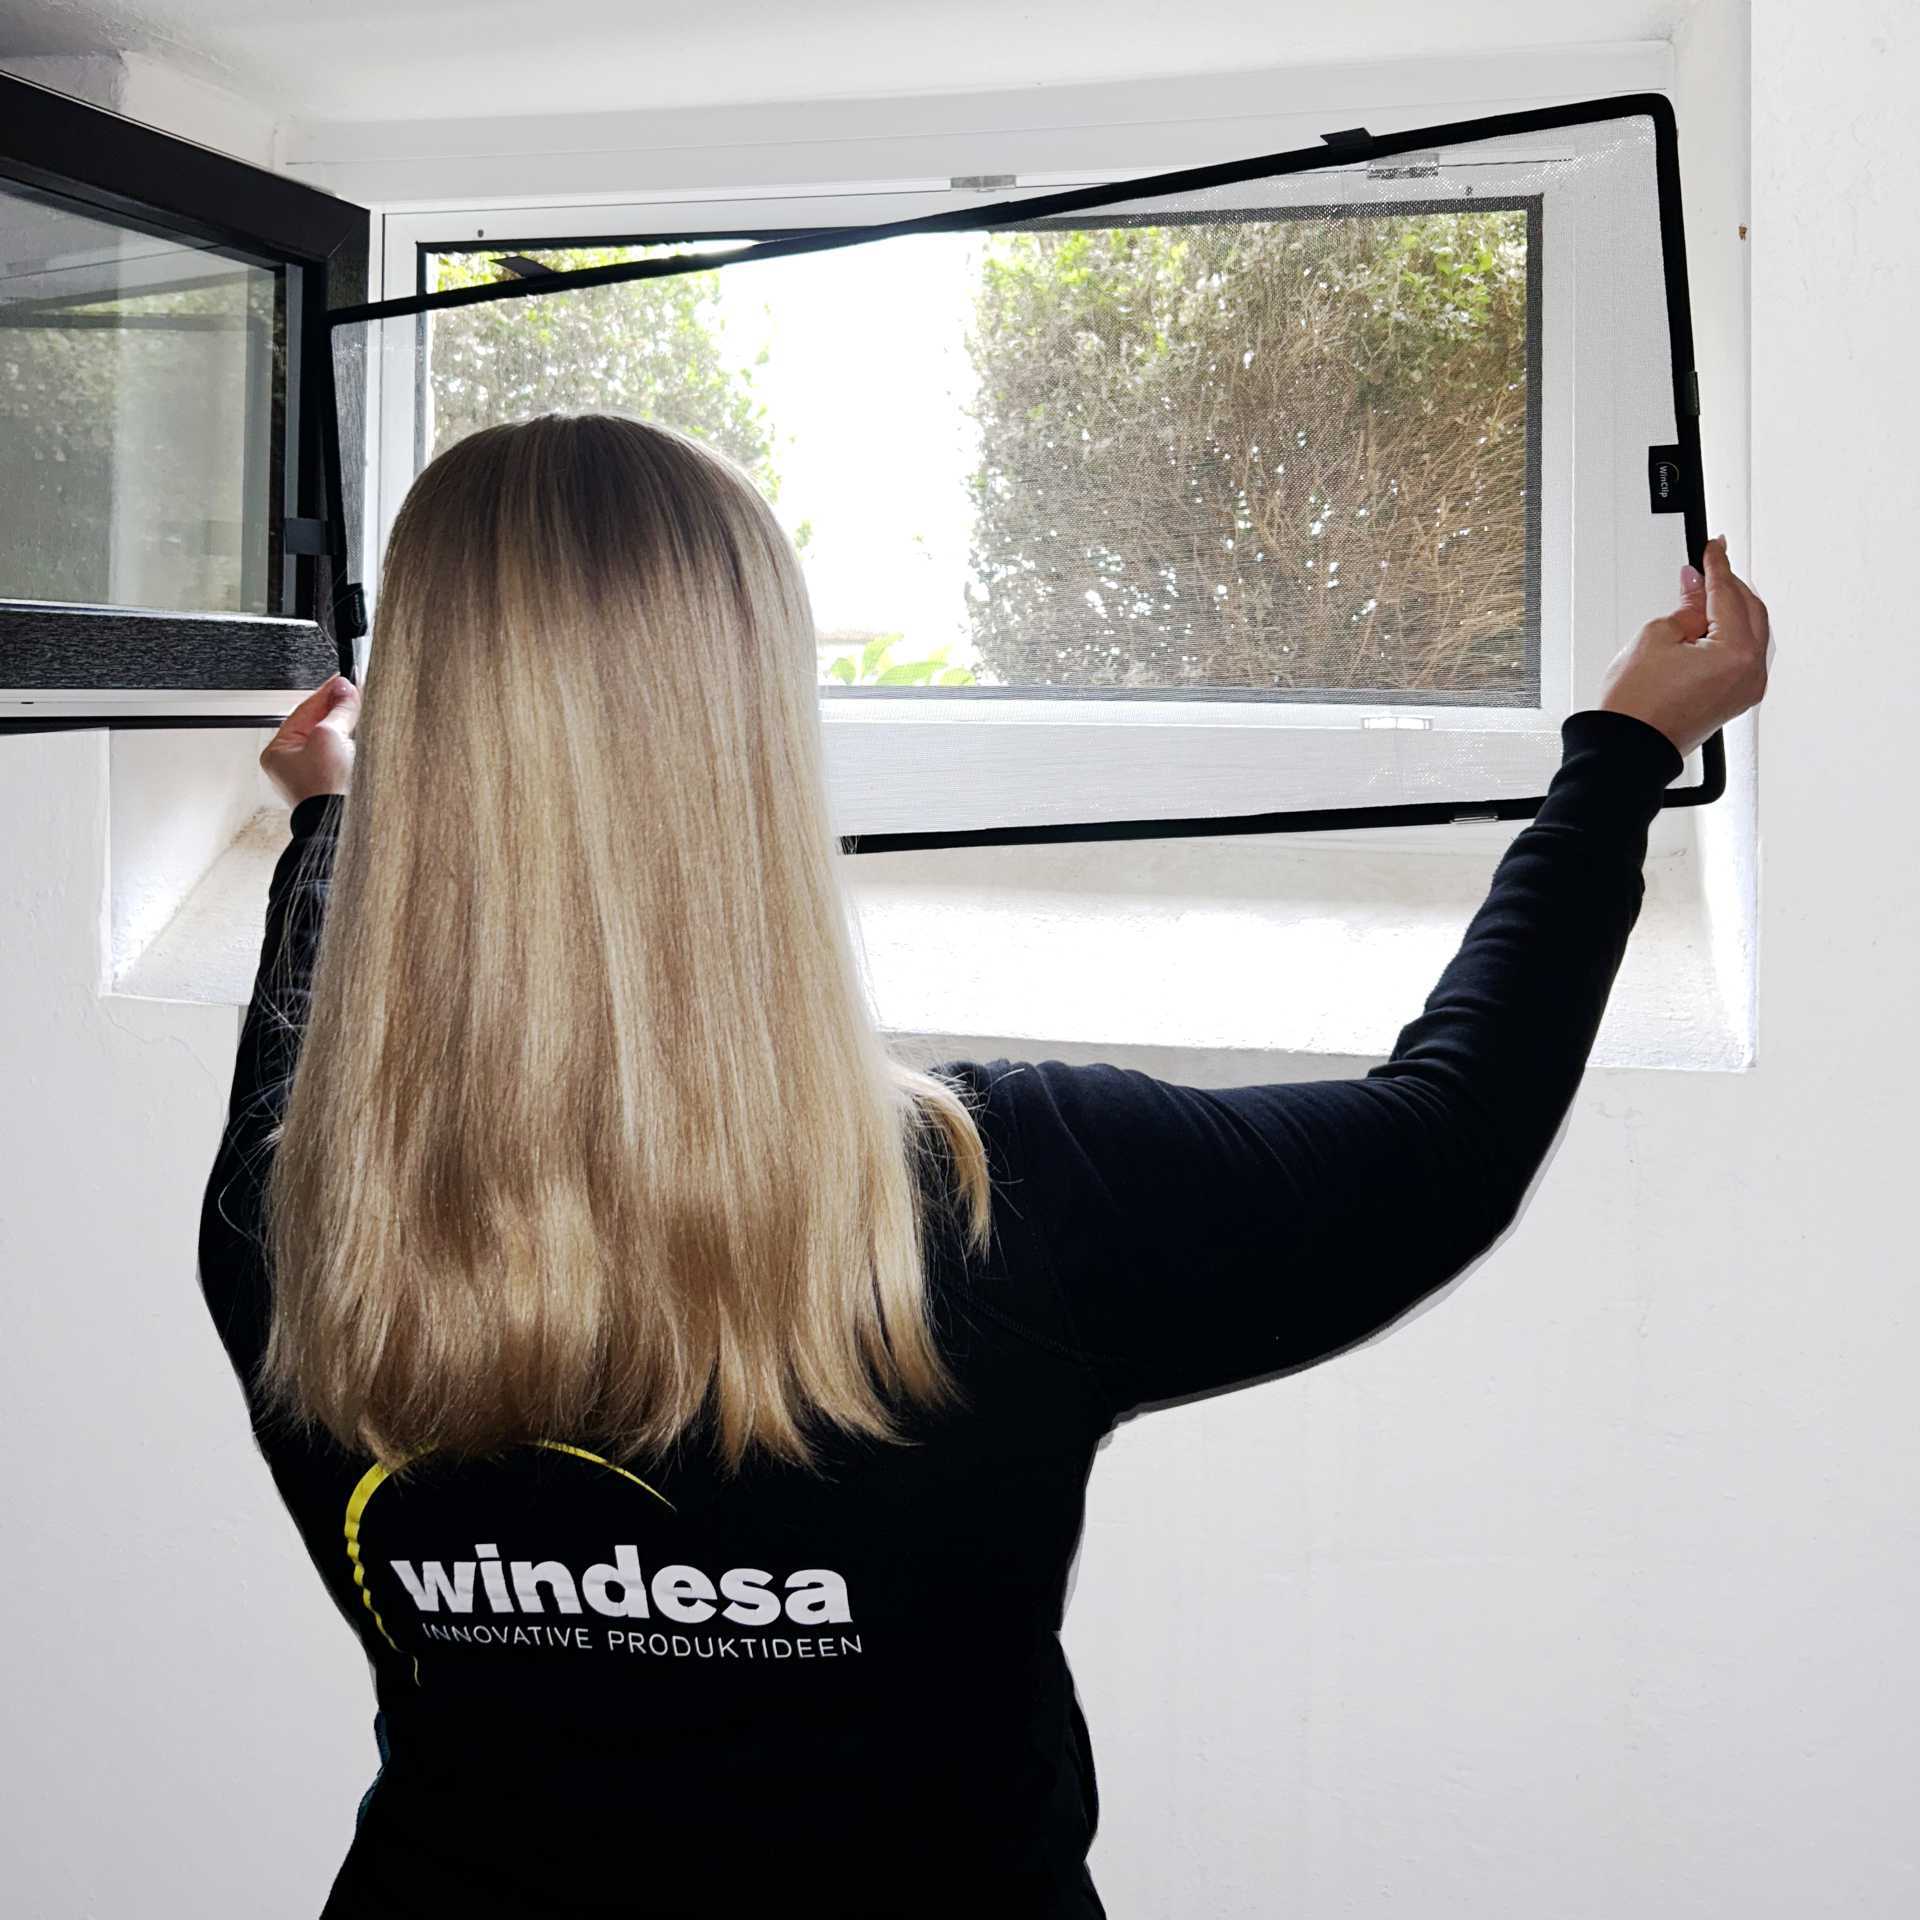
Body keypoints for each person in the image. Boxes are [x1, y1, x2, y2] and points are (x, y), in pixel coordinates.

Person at [201, 412, 1770, 1918]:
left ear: (429, 727)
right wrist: (1624, 752)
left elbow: (321, 1042)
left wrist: (331, 829)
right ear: (753, 733)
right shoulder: (1008, 1198)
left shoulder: (293, 1224)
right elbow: (1446, 1143)